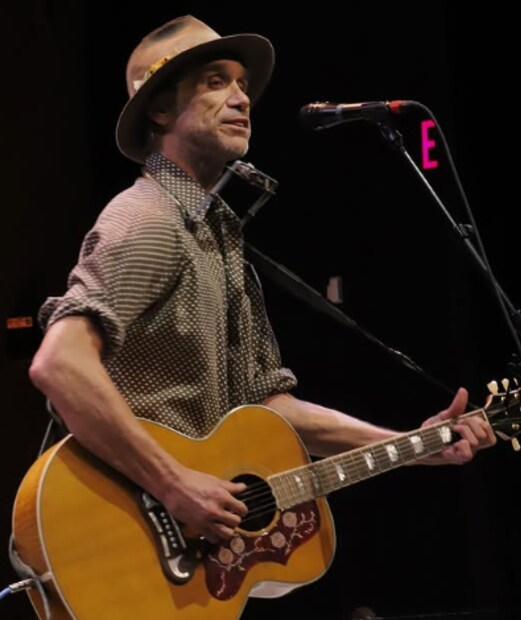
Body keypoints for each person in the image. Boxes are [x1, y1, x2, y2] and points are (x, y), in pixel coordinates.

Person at [29, 15, 496, 549]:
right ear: (159, 110)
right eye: (215, 82)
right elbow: (59, 363)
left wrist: (412, 444)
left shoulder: (218, 233)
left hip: (182, 545)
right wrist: (174, 483)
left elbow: (270, 408)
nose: (241, 99)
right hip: (115, 533)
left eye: (243, 85)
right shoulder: (149, 219)